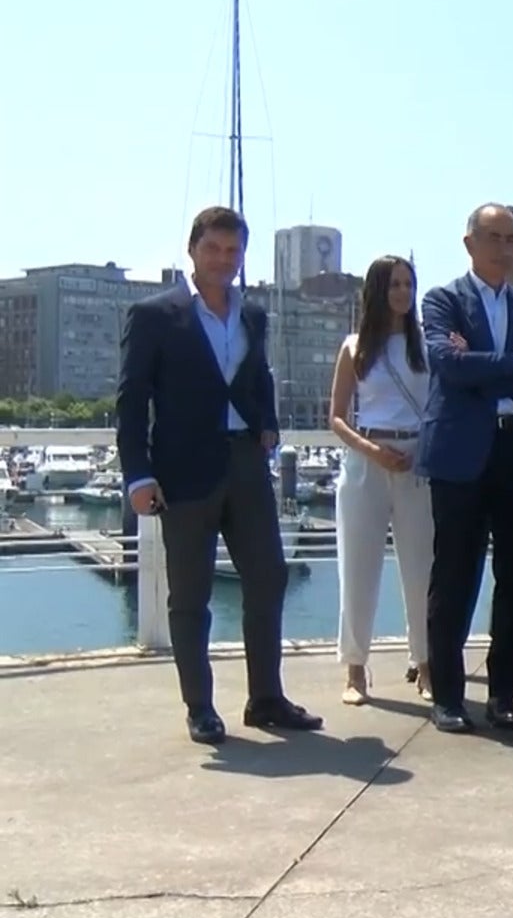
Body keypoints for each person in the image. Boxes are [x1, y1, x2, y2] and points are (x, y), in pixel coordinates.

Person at [115, 205, 322, 743]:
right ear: (193, 249)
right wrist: (136, 475)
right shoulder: (155, 315)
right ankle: (200, 707)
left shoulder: (252, 315)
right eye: (214, 249)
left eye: (233, 251)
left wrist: (269, 423)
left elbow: (259, 378)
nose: (224, 261)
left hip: (246, 464)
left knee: (269, 578)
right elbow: (132, 401)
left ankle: (266, 698)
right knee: (190, 595)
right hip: (183, 471)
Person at [417, 203, 513, 734]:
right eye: (495, 237)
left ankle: (504, 693)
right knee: (454, 576)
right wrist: (512, 365)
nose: (506, 247)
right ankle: (449, 698)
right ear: (470, 244)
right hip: (460, 454)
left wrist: (489, 366)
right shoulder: (443, 300)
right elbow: (448, 365)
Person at [328, 255, 435, 706]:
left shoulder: (428, 346)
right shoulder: (355, 346)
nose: (403, 293)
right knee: (358, 567)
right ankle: (355, 669)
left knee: (421, 569)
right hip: (366, 460)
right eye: (394, 284)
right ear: (377, 290)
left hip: (416, 460)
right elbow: (335, 417)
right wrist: (372, 451)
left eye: (409, 284)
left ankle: (426, 664)